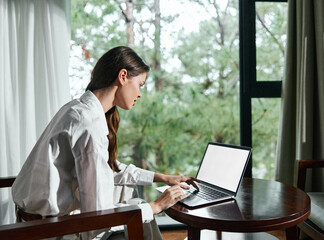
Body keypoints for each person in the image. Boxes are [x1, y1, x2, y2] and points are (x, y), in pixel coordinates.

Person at [11, 46, 199, 240]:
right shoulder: (89, 123)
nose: (140, 94)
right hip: (48, 231)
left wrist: (163, 178)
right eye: (140, 85)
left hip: (35, 222)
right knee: (143, 211)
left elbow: (106, 171)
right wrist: (157, 206)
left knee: (139, 207)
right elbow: (99, 218)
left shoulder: (78, 109)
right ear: (123, 76)